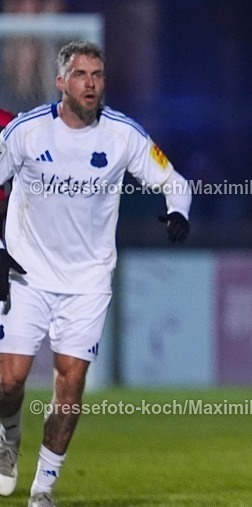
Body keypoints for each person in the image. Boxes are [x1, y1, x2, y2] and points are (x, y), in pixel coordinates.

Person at [0, 41, 192, 507]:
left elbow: (173, 181)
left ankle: (43, 489)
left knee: (70, 382)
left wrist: (178, 212)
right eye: (82, 74)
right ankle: (8, 441)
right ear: (61, 82)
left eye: (98, 74)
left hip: (87, 282)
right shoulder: (25, 132)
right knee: (8, 382)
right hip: (27, 273)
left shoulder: (122, 135)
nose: (91, 83)